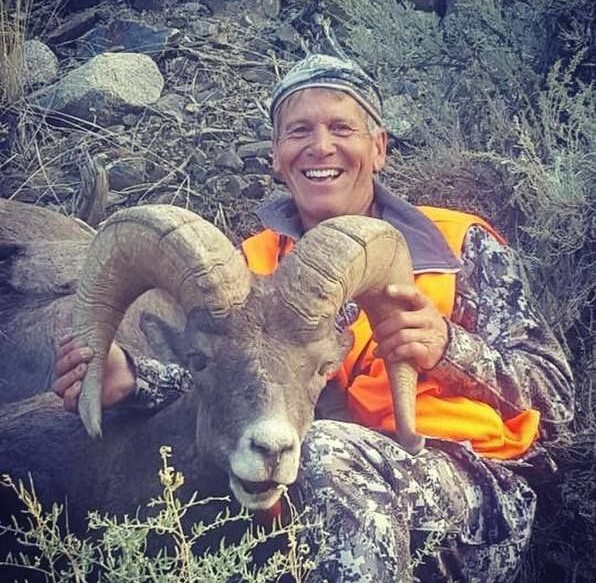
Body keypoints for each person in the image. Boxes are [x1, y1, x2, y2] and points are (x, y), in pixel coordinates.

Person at [53, 54, 573, 582]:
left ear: (379, 149)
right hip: (308, 483)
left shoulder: (459, 246)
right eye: (299, 130)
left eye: (342, 128)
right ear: (277, 155)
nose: (320, 147)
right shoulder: (250, 266)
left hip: (470, 492)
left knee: (324, 452)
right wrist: (134, 379)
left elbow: (558, 397)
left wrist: (448, 349)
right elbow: (235, 385)